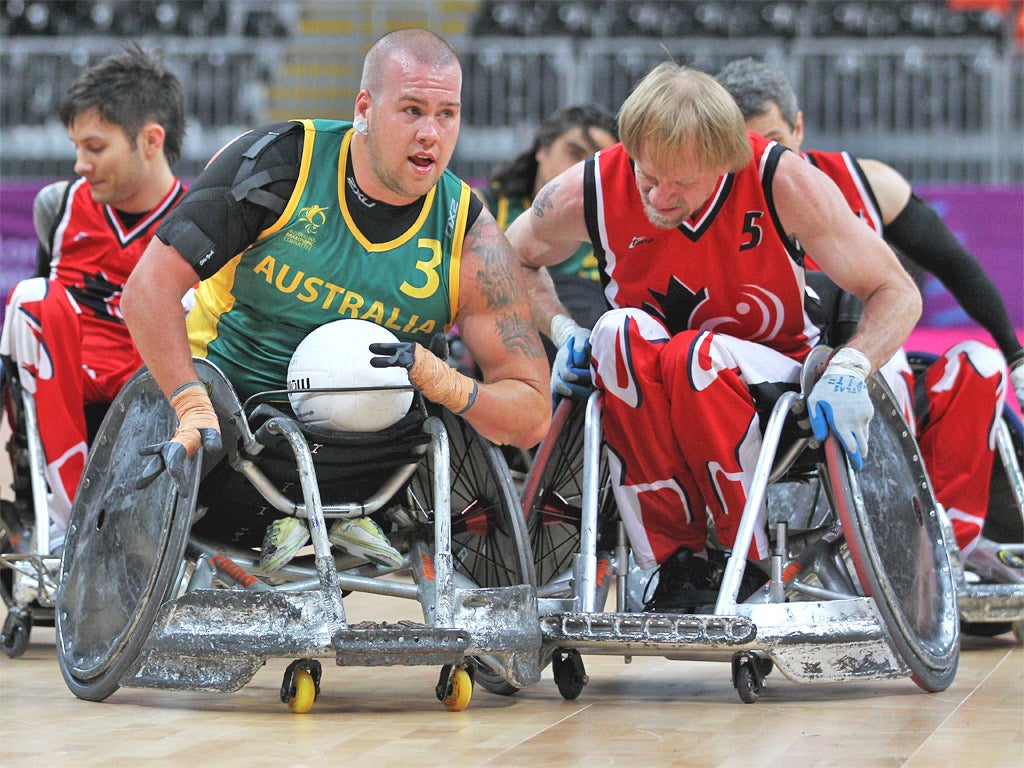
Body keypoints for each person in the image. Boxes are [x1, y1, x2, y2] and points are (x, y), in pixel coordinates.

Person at [121, 29, 551, 573]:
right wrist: (188, 403)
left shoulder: (467, 230)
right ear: (365, 109)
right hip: (233, 423)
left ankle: (335, 517)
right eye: (412, 110)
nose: (430, 134)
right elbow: (146, 291)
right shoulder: (276, 165)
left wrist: (448, 383)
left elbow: (533, 411)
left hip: (370, 461)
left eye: (447, 114)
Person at [505, 61, 922, 613]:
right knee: (615, 330)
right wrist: (559, 331)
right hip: (658, 382)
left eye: (682, 182)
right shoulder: (595, 183)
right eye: (649, 176)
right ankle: (670, 565)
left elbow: (898, 291)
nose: (659, 197)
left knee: (693, 354)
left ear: (726, 160)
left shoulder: (782, 178)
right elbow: (506, 259)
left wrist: (851, 368)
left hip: (771, 371)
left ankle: (738, 559)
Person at [716, 57, 1024, 584]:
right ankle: (887, 542)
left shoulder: (867, 182)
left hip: (876, 371)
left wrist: (1016, 354)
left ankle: (946, 545)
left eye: (772, 139)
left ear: (799, 128)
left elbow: (957, 267)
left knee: (980, 361)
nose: (762, 158)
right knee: (875, 364)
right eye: (743, 146)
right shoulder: (708, 200)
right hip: (785, 386)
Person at [0, 43, 187, 550]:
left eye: (95, 147)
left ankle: (134, 521)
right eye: (76, 148)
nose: (80, 163)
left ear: (150, 141)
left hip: (149, 397)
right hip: (64, 395)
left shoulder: (196, 221)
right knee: (34, 298)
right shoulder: (56, 207)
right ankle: (70, 522)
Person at [476, 104, 618, 339]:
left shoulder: (617, 228)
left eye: (596, 163)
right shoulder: (485, 207)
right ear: (542, 149)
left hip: (594, 356)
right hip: (511, 345)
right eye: (574, 154)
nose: (582, 171)